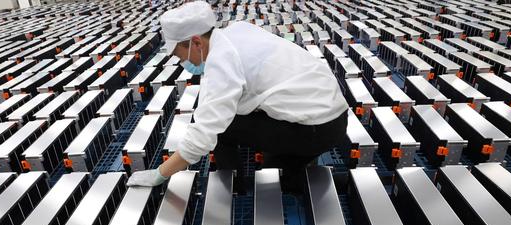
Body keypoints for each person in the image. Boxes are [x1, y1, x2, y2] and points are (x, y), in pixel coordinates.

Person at [127, 1, 348, 193]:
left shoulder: (222, 60)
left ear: (196, 42)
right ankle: (296, 171)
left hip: (316, 129)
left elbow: (204, 135)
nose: (182, 62)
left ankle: (233, 189)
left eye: (179, 54)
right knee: (280, 168)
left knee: (225, 128)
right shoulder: (237, 31)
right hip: (333, 116)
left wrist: (160, 174)